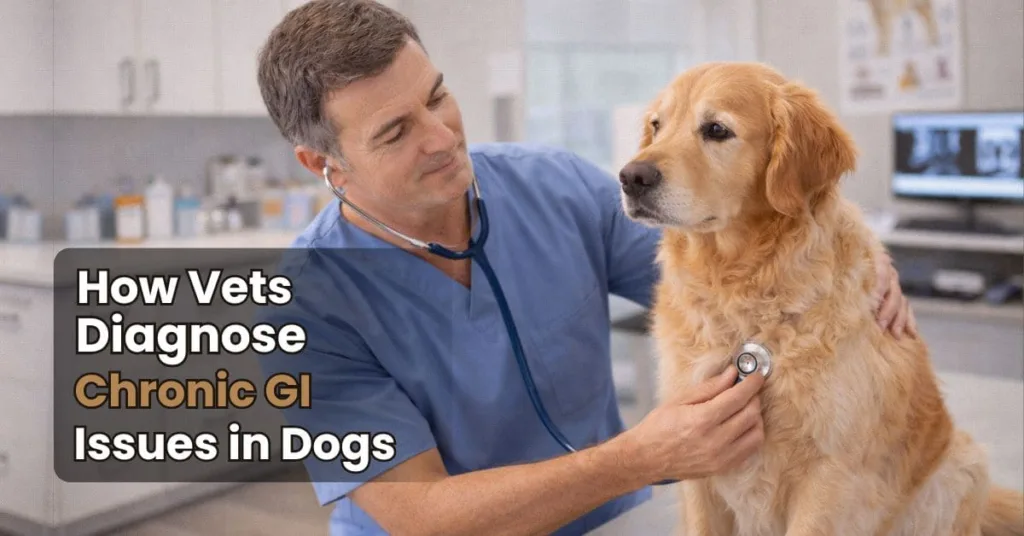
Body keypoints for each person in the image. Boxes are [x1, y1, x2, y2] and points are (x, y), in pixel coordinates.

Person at [254, 1, 916, 534]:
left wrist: (854, 265)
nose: (442, 136)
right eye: (395, 132)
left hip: (610, 519)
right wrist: (644, 456)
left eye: (437, 97)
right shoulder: (304, 309)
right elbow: (420, 515)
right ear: (323, 165)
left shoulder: (552, 188)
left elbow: (728, 278)